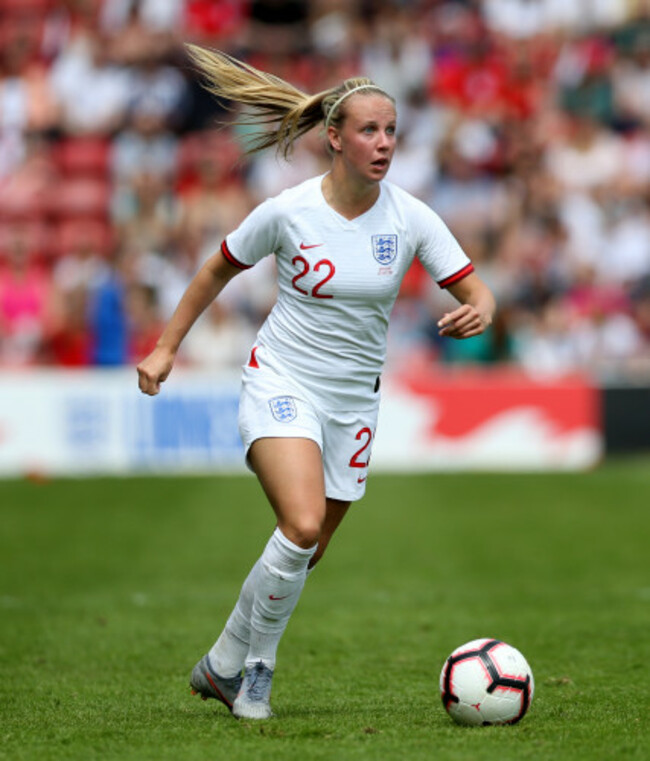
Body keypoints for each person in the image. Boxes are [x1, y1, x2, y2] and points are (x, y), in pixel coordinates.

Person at [136, 44, 496, 720]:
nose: (383, 142)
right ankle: (257, 675)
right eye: (368, 129)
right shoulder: (289, 210)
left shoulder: (410, 216)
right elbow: (218, 268)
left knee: (307, 552)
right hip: (283, 378)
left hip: (354, 402)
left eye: (390, 130)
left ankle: (220, 661)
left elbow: (476, 287)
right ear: (334, 137)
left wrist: (482, 309)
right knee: (299, 525)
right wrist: (165, 347)